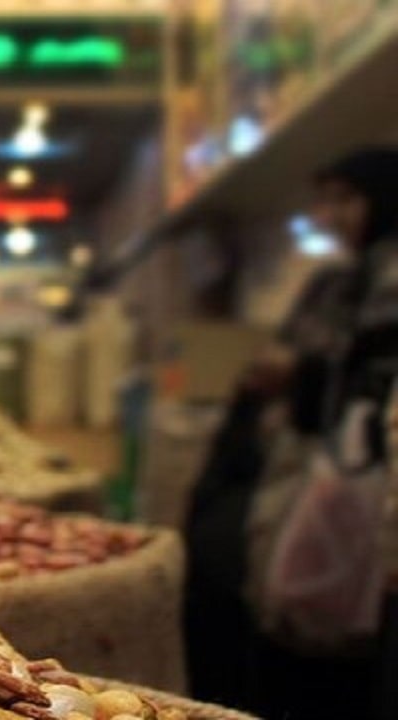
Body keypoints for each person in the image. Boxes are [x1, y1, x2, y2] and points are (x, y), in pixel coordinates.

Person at [185, 147, 398, 719]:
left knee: (343, 614)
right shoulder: (335, 281)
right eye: (325, 201)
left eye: (346, 199)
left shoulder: (386, 279)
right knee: (286, 598)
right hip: (308, 467)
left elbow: (365, 374)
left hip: (365, 480)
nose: (330, 215)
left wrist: (302, 371)